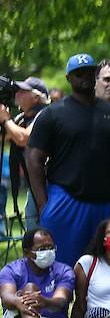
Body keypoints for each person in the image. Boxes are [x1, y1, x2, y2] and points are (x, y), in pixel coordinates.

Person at [26, 54, 110, 270]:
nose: (85, 76)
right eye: (79, 72)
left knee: (109, 268)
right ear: (69, 78)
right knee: (61, 271)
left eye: (89, 71)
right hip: (65, 201)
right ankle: (60, 304)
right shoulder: (52, 114)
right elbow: (34, 159)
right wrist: (44, 204)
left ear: (95, 76)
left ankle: (100, 306)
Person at [1, 227, 110, 318]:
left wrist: (45, 302)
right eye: (42, 249)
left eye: (51, 247)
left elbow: (60, 300)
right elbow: (6, 296)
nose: (47, 251)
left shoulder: (64, 271)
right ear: (27, 252)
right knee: (30, 288)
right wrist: (18, 301)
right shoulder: (12, 269)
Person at [0, 77, 49, 227]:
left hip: (51, 187)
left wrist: (5, 119)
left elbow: (23, 138)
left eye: (23, 91)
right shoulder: (22, 118)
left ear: (36, 97)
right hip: (35, 186)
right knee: (34, 234)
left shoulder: (46, 115)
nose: (17, 94)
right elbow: (6, 137)